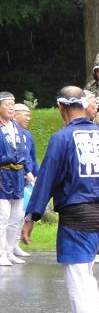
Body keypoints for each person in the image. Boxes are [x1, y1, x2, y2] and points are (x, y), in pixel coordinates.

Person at [21, 86, 99, 313]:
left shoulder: (62, 138)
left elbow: (46, 179)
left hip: (76, 218)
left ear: (61, 107)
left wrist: (31, 216)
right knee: (86, 277)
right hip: (98, 218)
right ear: (84, 104)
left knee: (78, 282)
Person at [0, 92, 33, 266]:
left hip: (17, 177)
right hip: (2, 176)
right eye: (7, 104)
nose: (11, 107)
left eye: (13, 104)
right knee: (3, 217)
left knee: (17, 216)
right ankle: (0, 254)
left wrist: (28, 171)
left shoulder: (16, 127)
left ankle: (10, 250)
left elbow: (23, 152)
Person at [12, 103, 39, 258]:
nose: (29, 118)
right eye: (26, 115)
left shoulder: (27, 135)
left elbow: (32, 158)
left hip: (27, 181)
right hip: (13, 179)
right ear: (15, 115)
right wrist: (25, 171)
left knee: (20, 215)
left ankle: (14, 245)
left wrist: (38, 175)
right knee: (9, 216)